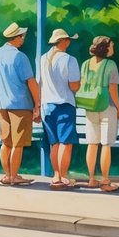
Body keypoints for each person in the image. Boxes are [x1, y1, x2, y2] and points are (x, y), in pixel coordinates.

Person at [0, 22, 39, 186]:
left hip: (1, 104)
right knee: (18, 143)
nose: (23, 39)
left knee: (6, 142)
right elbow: (31, 81)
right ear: (17, 37)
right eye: (22, 36)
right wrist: (37, 103)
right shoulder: (20, 57)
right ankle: (14, 176)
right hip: (20, 104)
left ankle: (7, 175)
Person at [38, 28, 82, 189]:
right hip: (64, 103)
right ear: (62, 41)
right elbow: (74, 85)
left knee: (54, 143)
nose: (69, 42)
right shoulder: (70, 59)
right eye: (68, 39)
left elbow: (39, 83)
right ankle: (63, 176)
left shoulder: (43, 58)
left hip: (46, 105)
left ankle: (56, 175)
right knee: (66, 142)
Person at [79, 36, 119, 192]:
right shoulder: (111, 65)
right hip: (107, 106)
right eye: (112, 46)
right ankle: (105, 180)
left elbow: (82, 84)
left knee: (92, 143)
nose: (113, 48)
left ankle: (91, 179)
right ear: (105, 48)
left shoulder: (85, 64)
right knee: (106, 144)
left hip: (90, 105)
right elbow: (113, 89)